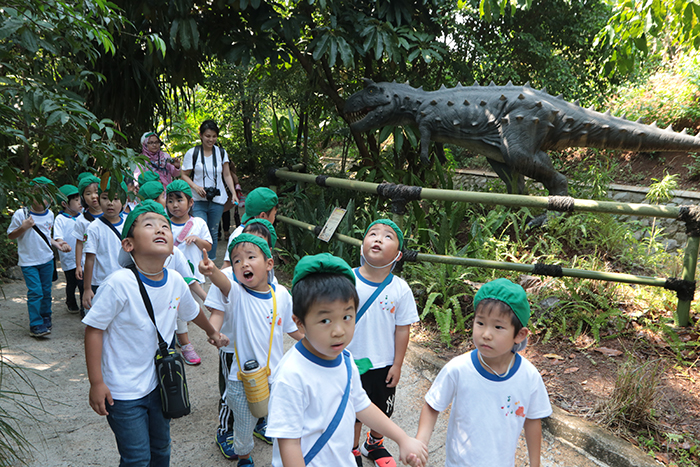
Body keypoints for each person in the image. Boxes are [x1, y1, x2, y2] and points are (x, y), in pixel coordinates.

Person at [83, 200, 228, 467]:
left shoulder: (174, 280)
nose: (160, 229)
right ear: (129, 245)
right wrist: (96, 382)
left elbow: (191, 310)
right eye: (149, 225)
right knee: (137, 457)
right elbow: (94, 329)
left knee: (161, 449)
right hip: (122, 391)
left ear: (173, 245)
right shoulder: (118, 284)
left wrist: (212, 333)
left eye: (165, 226)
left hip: (160, 384)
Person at [265, 253, 428, 467]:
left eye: (347, 317)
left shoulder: (346, 359)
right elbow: (289, 444)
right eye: (325, 320)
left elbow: (362, 405)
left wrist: (402, 438)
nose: (339, 331)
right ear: (299, 323)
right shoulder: (291, 375)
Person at [415, 278, 552, 467]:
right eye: (480, 323)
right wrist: (420, 442)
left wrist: (535, 464)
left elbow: (532, 420)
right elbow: (432, 405)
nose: (486, 334)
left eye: (498, 327)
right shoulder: (459, 369)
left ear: (519, 334)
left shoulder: (529, 377)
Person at [200, 234, 302, 467]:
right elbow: (222, 283)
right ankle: (244, 458)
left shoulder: (282, 295)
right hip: (241, 379)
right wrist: (212, 271)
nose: (243, 263)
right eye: (236, 261)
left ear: (268, 264)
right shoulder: (237, 294)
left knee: (279, 421)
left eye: (251, 257)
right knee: (243, 426)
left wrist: (313, 342)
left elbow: (291, 329)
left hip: (274, 377)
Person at [348, 219, 419, 467]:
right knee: (354, 411)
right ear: (361, 246)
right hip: (350, 361)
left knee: (382, 408)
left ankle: (374, 443)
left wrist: (397, 364)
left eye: (388, 236)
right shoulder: (348, 280)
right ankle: (352, 449)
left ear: (398, 255)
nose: (378, 238)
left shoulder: (400, 289)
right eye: (373, 234)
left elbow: (402, 329)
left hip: (384, 363)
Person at [7, 177, 71, 337]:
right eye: (39, 195)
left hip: (47, 260)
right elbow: (11, 235)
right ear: (30, 195)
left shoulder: (50, 214)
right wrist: (23, 227)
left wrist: (57, 244)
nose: (43, 199)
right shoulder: (21, 214)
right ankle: (35, 323)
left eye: (47, 195)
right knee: (35, 292)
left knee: (46, 291)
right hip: (29, 262)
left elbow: (45, 235)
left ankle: (46, 316)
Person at [180, 120, 238, 260]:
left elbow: (226, 174)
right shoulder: (192, 153)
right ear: (201, 135)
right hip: (198, 198)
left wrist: (234, 193)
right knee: (199, 229)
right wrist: (196, 187)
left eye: (214, 136)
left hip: (217, 199)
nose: (211, 139)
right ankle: (197, 260)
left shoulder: (221, 152)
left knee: (213, 231)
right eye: (207, 136)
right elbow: (183, 175)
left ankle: (209, 262)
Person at [82, 179, 126, 311]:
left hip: (125, 282)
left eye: (116, 199)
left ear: (124, 201)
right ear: (99, 200)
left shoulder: (129, 225)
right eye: (105, 198)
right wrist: (87, 288)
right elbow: (89, 259)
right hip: (100, 283)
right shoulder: (93, 228)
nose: (110, 203)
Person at [222, 187, 278, 269]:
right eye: (274, 214)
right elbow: (227, 266)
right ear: (263, 215)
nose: (274, 218)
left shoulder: (263, 233)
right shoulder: (240, 235)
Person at [73, 173, 103, 317]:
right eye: (88, 193)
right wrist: (78, 265)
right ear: (83, 197)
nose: (93, 196)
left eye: (97, 192)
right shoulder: (81, 220)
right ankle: (90, 321)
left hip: (107, 264)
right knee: (91, 292)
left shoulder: (110, 215)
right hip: (89, 265)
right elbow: (79, 243)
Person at [53, 184, 83, 313]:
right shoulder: (60, 219)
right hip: (69, 257)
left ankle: (84, 308)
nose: (79, 202)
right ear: (65, 204)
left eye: (80, 199)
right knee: (72, 282)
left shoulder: (83, 216)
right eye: (76, 200)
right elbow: (58, 236)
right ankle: (70, 300)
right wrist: (62, 243)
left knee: (82, 283)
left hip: (82, 257)